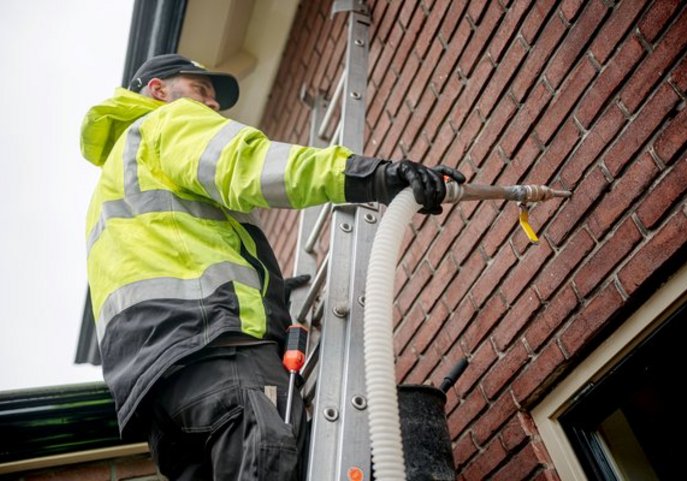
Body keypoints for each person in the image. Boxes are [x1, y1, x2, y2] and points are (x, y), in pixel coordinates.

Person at [80, 53, 465, 480]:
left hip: (157, 398)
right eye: (200, 90)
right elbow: (250, 165)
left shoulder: (113, 183)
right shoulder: (166, 123)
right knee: (272, 460)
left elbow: (174, 253)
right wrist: (375, 175)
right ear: (158, 90)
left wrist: (272, 295)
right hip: (219, 353)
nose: (212, 104)